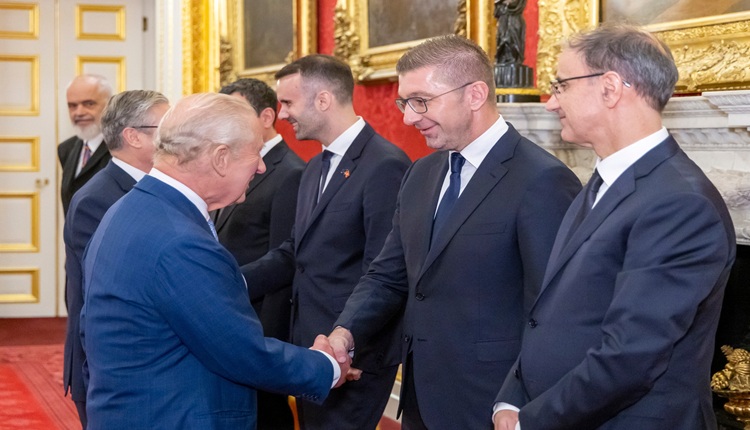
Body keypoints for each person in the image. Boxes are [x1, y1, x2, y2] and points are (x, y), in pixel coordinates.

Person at [327, 34, 581, 429]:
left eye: (421, 101)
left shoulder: (543, 180)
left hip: (492, 405)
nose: (409, 118)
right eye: (404, 103)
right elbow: (388, 275)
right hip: (420, 400)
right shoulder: (420, 173)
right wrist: (345, 332)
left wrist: (521, 401)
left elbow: (552, 312)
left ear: (475, 94)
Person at [493, 23, 736, 430]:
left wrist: (529, 422)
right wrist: (510, 399)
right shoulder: (603, 180)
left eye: (561, 85)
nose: (550, 103)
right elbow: (552, 315)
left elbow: (630, 357)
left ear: (609, 88)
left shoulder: (680, 204)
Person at [79, 93, 348, 429]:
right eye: (255, 152)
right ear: (221, 158)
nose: (261, 166)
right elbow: (240, 352)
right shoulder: (179, 241)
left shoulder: (131, 209)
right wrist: (327, 366)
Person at [240, 54, 411, 430]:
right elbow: (294, 253)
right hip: (312, 347)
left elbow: (384, 272)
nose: (282, 114)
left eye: (288, 102)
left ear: (323, 100)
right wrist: (233, 280)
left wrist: (349, 345)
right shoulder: (315, 165)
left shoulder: (385, 165)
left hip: (351, 353)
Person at [63, 89, 169, 428]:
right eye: (166, 128)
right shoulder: (98, 198)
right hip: (110, 369)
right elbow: (105, 292)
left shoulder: (147, 186)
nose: (175, 136)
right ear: (134, 137)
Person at [215, 78, 305, 430]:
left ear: (266, 117)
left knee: (267, 415)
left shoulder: (291, 173)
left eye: (236, 114)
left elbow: (285, 259)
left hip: (259, 322)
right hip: (231, 314)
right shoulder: (228, 162)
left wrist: (267, 340)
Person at [58, 74, 114, 215]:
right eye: (72, 106)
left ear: (110, 105)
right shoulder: (66, 149)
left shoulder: (122, 148)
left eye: (89, 104)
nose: (79, 112)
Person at [494, 0, 526, 65]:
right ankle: (504, 58)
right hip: (503, 18)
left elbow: (514, 3)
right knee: (502, 40)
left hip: (514, 19)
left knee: (513, 41)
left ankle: (513, 58)